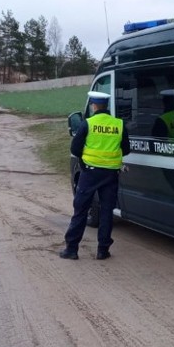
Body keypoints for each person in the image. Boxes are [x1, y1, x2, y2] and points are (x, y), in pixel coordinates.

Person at [60, 91, 130, 261]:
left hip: (90, 174)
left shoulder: (88, 124)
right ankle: (103, 250)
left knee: (81, 209)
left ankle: (72, 249)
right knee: (106, 212)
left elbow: (74, 149)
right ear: (106, 106)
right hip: (111, 175)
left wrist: (85, 163)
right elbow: (126, 149)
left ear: (94, 105)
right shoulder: (119, 124)